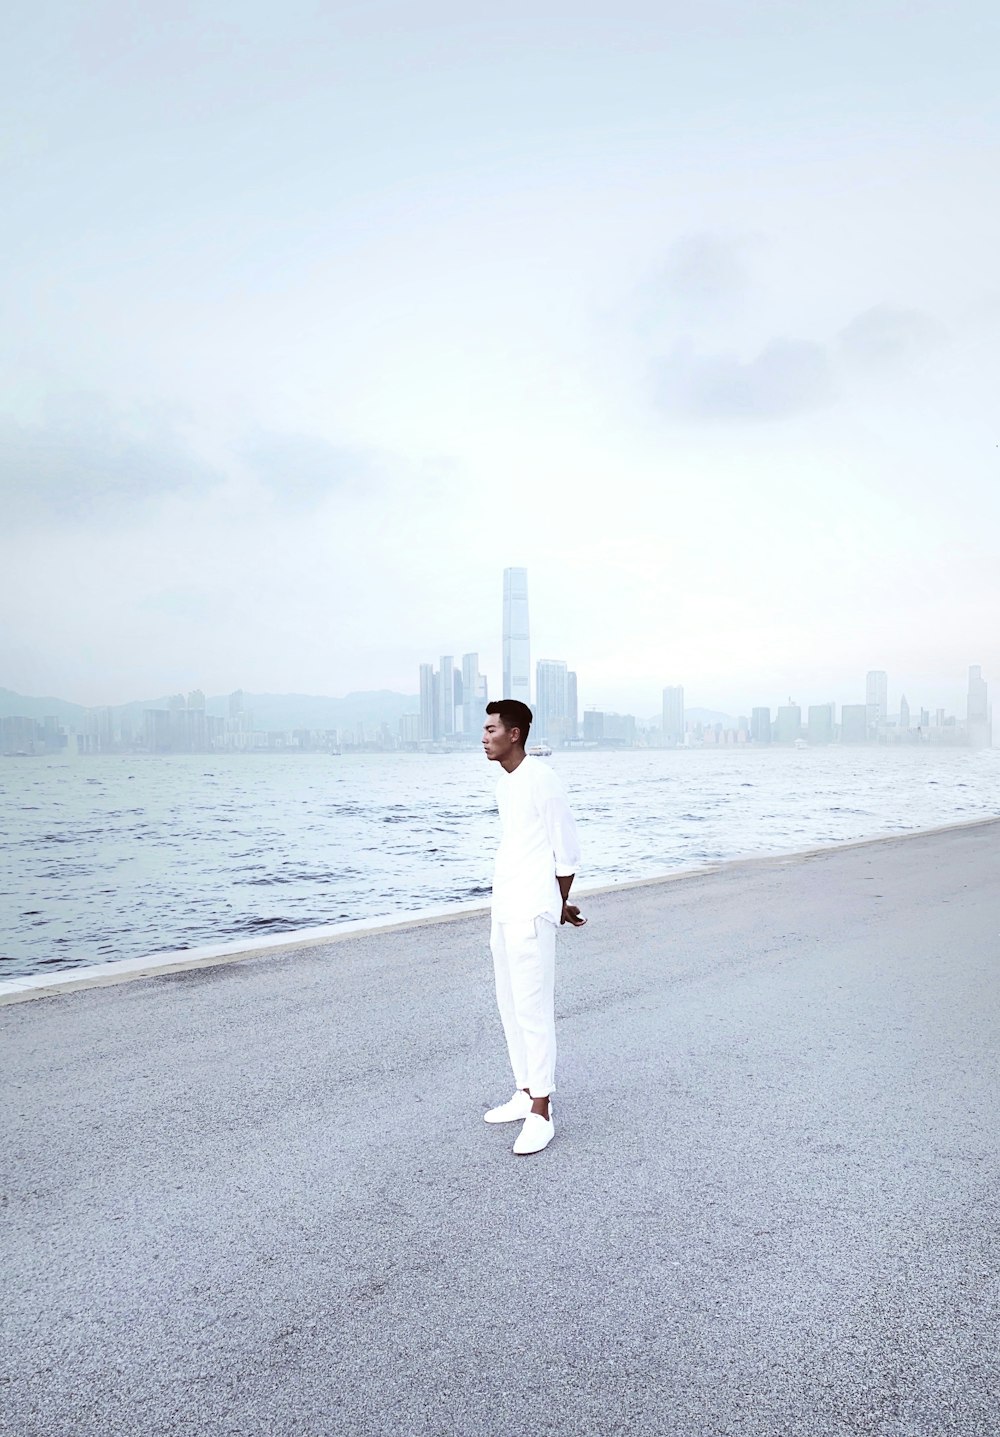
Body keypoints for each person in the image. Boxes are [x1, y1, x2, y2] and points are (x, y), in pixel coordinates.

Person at [481, 699, 585, 1156]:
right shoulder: (506, 782)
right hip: (505, 905)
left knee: (533, 1009)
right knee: (509, 1004)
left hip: (531, 911)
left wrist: (556, 903)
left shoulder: (543, 780)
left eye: (491, 729)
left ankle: (542, 1112)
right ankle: (524, 1092)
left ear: (515, 733)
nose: (484, 737)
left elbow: (566, 851)